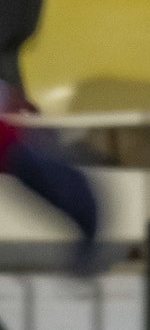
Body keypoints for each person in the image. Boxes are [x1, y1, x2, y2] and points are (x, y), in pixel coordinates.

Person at [0, 85, 99, 273]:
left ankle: (87, 239)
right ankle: (87, 239)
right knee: (68, 188)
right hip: (13, 149)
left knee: (68, 187)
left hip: (13, 148)